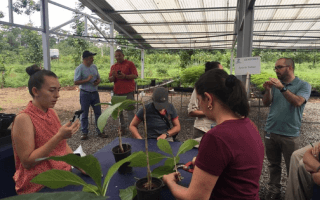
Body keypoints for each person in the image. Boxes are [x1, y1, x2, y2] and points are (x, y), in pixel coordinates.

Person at [163, 69, 264, 200]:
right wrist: (201, 163)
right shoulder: (249, 124)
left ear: (209, 99)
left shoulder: (216, 137)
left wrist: (169, 181)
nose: (199, 105)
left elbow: (196, 197)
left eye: (199, 100)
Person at [11, 65, 81, 194]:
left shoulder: (51, 113)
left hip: (61, 176)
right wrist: (59, 136)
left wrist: (79, 164)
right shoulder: (24, 119)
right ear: (35, 91)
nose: (57, 95)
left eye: (58, 90)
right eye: (52, 90)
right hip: (39, 185)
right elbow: (27, 162)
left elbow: (62, 146)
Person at [262, 58, 311, 200]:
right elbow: (266, 103)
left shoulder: (303, 85)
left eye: (279, 67)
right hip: (271, 130)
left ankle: (293, 193)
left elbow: (298, 102)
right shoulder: (277, 85)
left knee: (293, 166)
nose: (276, 70)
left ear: (289, 67)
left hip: (290, 133)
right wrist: (268, 90)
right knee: (273, 164)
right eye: (275, 68)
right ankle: (274, 189)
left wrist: (282, 88)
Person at [74, 50, 107, 140]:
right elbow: (75, 82)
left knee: (98, 113)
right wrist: (87, 80)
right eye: (91, 58)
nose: (92, 59)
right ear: (85, 59)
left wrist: (98, 82)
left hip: (95, 93)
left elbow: (98, 78)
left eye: (92, 58)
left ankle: (100, 131)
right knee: (84, 114)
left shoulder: (94, 67)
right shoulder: (80, 68)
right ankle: (84, 132)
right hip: (85, 93)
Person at [188, 61, 223, 145]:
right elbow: (191, 112)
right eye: (221, 71)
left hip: (217, 130)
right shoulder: (199, 88)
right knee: (198, 155)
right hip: (202, 130)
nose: (223, 74)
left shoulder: (222, 89)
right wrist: (211, 112)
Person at [109, 49, 138, 134]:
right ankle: (123, 128)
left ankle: (132, 128)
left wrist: (125, 76)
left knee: (130, 111)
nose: (118, 57)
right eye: (116, 56)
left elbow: (135, 75)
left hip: (128, 91)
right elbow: (110, 79)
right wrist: (113, 76)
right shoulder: (113, 66)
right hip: (117, 92)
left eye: (119, 55)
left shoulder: (130, 64)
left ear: (123, 55)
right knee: (119, 111)